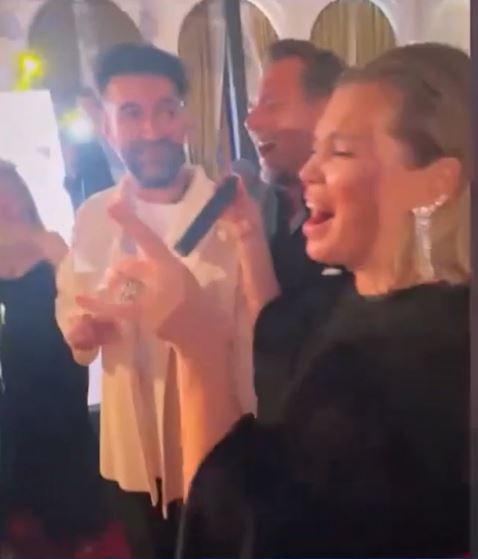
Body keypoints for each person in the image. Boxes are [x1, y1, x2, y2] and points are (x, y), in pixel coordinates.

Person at [95, 42, 470, 557]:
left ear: (436, 182)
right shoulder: (340, 295)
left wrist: (197, 348)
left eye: (341, 152)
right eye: (317, 148)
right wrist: (249, 236)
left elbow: (240, 532)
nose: (310, 170)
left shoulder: (421, 362)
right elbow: (284, 346)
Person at [55, 43, 278, 558]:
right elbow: (73, 301)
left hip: (218, 432)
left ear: (185, 118)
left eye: (166, 110)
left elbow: (267, 326)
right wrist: (81, 331)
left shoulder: (228, 211)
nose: (152, 130)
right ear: (107, 126)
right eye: (131, 114)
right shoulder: (95, 216)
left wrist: (248, 242)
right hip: (131, 443)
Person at [0, 161, 112, 557]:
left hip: (58, 350)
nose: (5, 200)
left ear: (23, 195)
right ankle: (43, 524)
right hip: (16, 354)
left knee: (67, 431)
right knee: (26, 432)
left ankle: (81, 526)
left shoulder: (48, 240)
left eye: (10, 191)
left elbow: (79, 290)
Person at [247, 40, 352, 422]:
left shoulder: (354, 226)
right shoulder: (259, 206)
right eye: (253, 106)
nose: (252, 122)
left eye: (273, 105)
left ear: (327, 111)